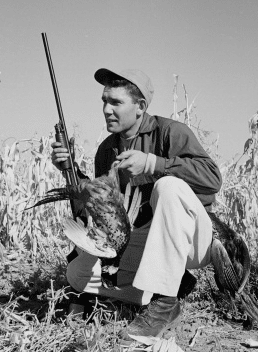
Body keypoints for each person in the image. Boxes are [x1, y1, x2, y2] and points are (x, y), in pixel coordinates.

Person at [51, 68, 222, 339]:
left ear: (140, 106)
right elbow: (103, 210)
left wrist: (153, 163)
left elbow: (212, 179)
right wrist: (71, 173)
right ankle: (168, 286)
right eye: (104, 101)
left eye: (116, 102)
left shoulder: (170, 132)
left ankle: (165, 301)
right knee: (77, 276)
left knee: (168, 186)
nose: (107, 109)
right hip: (146, 243)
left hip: (193, 243)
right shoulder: (107, 150)